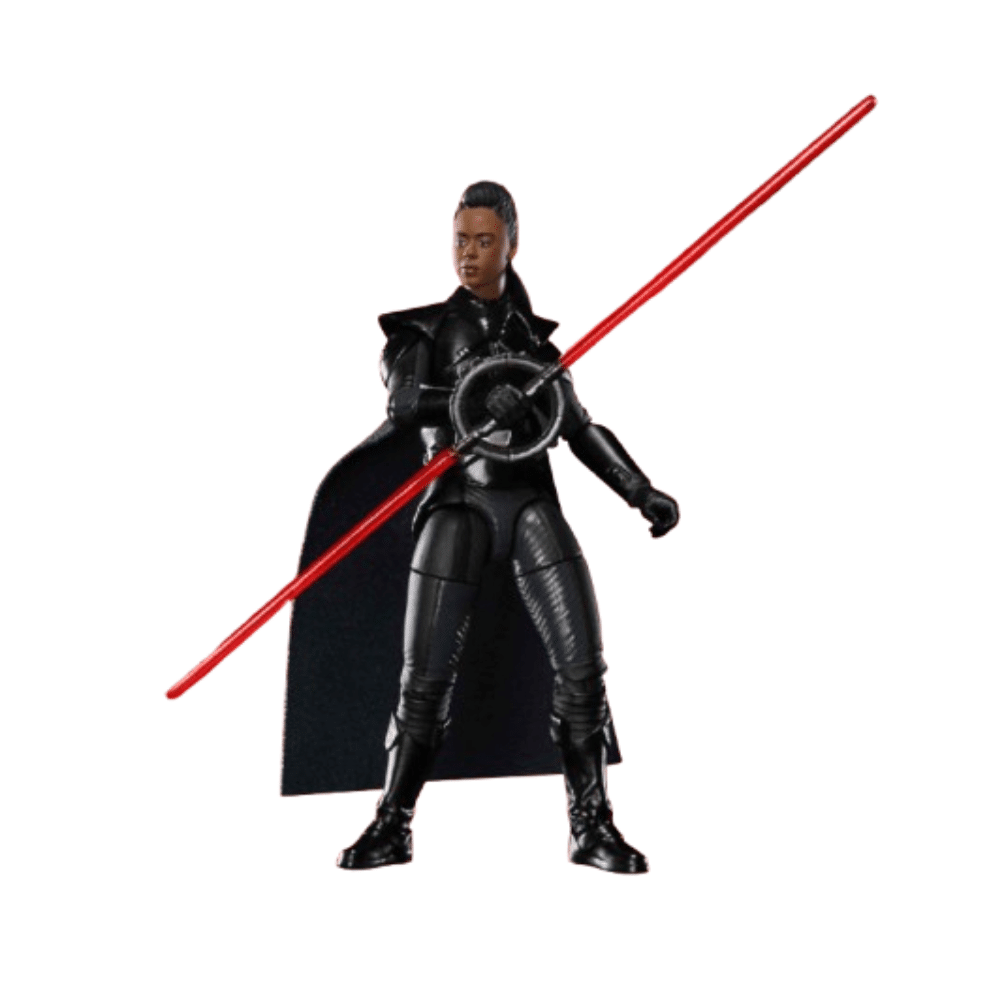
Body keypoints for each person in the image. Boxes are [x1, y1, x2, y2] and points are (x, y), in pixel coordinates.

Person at [332, 181, 679, 874]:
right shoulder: (422, 331)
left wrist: (639, 490)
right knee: (423, 681)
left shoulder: (537, 347)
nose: (468, 253)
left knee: (583, 670)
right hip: (457, 503)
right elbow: (405, 404)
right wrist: (479, 393)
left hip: (527, 503)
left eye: (484, 241)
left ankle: (591, 825)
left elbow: (578, 427)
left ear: (512, 245)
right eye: (461, 239)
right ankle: (392, 822)